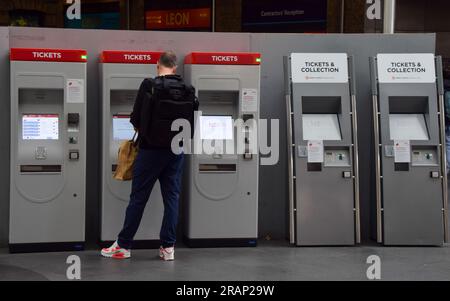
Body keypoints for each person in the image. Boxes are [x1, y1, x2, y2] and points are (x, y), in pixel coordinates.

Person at [101, 51, 198, 261]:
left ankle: (124, 245)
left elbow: (135, 119)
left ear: (157, 65)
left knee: (138, 199)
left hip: (150, 151)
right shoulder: (188, 90)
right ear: (175, 67)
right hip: (176, 152)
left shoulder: (150, 85)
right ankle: (168, 248)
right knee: (171, 198)